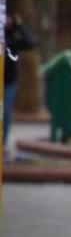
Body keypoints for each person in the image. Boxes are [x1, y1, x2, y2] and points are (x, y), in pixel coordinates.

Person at [4, 11, 36, 151]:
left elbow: (30, 43)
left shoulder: (13, 37)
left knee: (4, 113)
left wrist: (19, 26)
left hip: (8, 82)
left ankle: (2, 144)